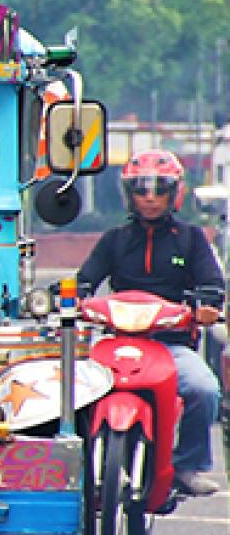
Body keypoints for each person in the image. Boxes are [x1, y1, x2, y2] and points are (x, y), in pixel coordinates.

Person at [77, 149, 226, 497]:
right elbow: (84, 281)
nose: (150, 198)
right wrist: (67, 298)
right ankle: (76, 464)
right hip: (115, 345)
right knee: (71, 389)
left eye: (159, 190)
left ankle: (188, 467)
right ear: (129, 195)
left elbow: (213, 284)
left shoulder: (190, 238)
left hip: (171, 344)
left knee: (204, 389)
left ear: (175, 194)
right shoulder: (114, 239)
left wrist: (208, 304)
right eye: (141, 190)